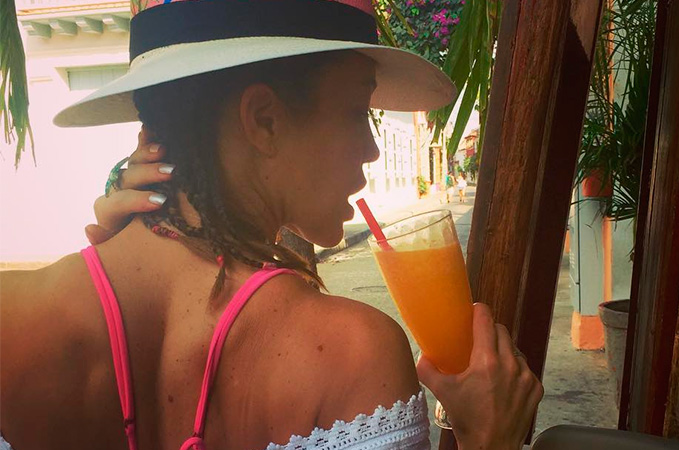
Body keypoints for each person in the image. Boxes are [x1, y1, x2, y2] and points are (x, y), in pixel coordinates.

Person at [0, 0, 543, 449]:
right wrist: (489, 439)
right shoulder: (355, 355)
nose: (372, 149)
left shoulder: (15, 316)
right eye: (359, 111)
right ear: (264, 120)